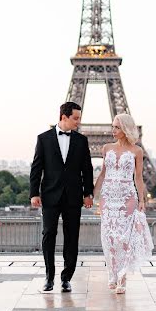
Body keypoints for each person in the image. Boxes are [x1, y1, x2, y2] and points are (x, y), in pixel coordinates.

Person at [30, 102, 94, 293]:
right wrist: (34, 193)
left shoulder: (81, 140)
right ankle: (49, 277)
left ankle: (66, 278)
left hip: (73, 197)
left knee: (72, 237)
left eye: (79, 118)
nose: (78, 122)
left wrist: (88, 193)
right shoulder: (43, 139)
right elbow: (36, 168)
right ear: (63, 117)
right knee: (48, 235)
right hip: (50, 195)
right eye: (76, 118)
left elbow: (87, 169)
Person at [94, 113, 154, 294]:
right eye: (113, 126)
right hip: (108, 196)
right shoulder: (106, 148)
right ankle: (112, 274)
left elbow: (138, 178)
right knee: (108, 238)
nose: (113, 130)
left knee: (124, 239)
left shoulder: (137, 151)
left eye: (117, 127)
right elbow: (103, 174)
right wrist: (91, 195)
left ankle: (122, 277)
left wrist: (141, 199)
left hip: (127, 197)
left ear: (126, 129)